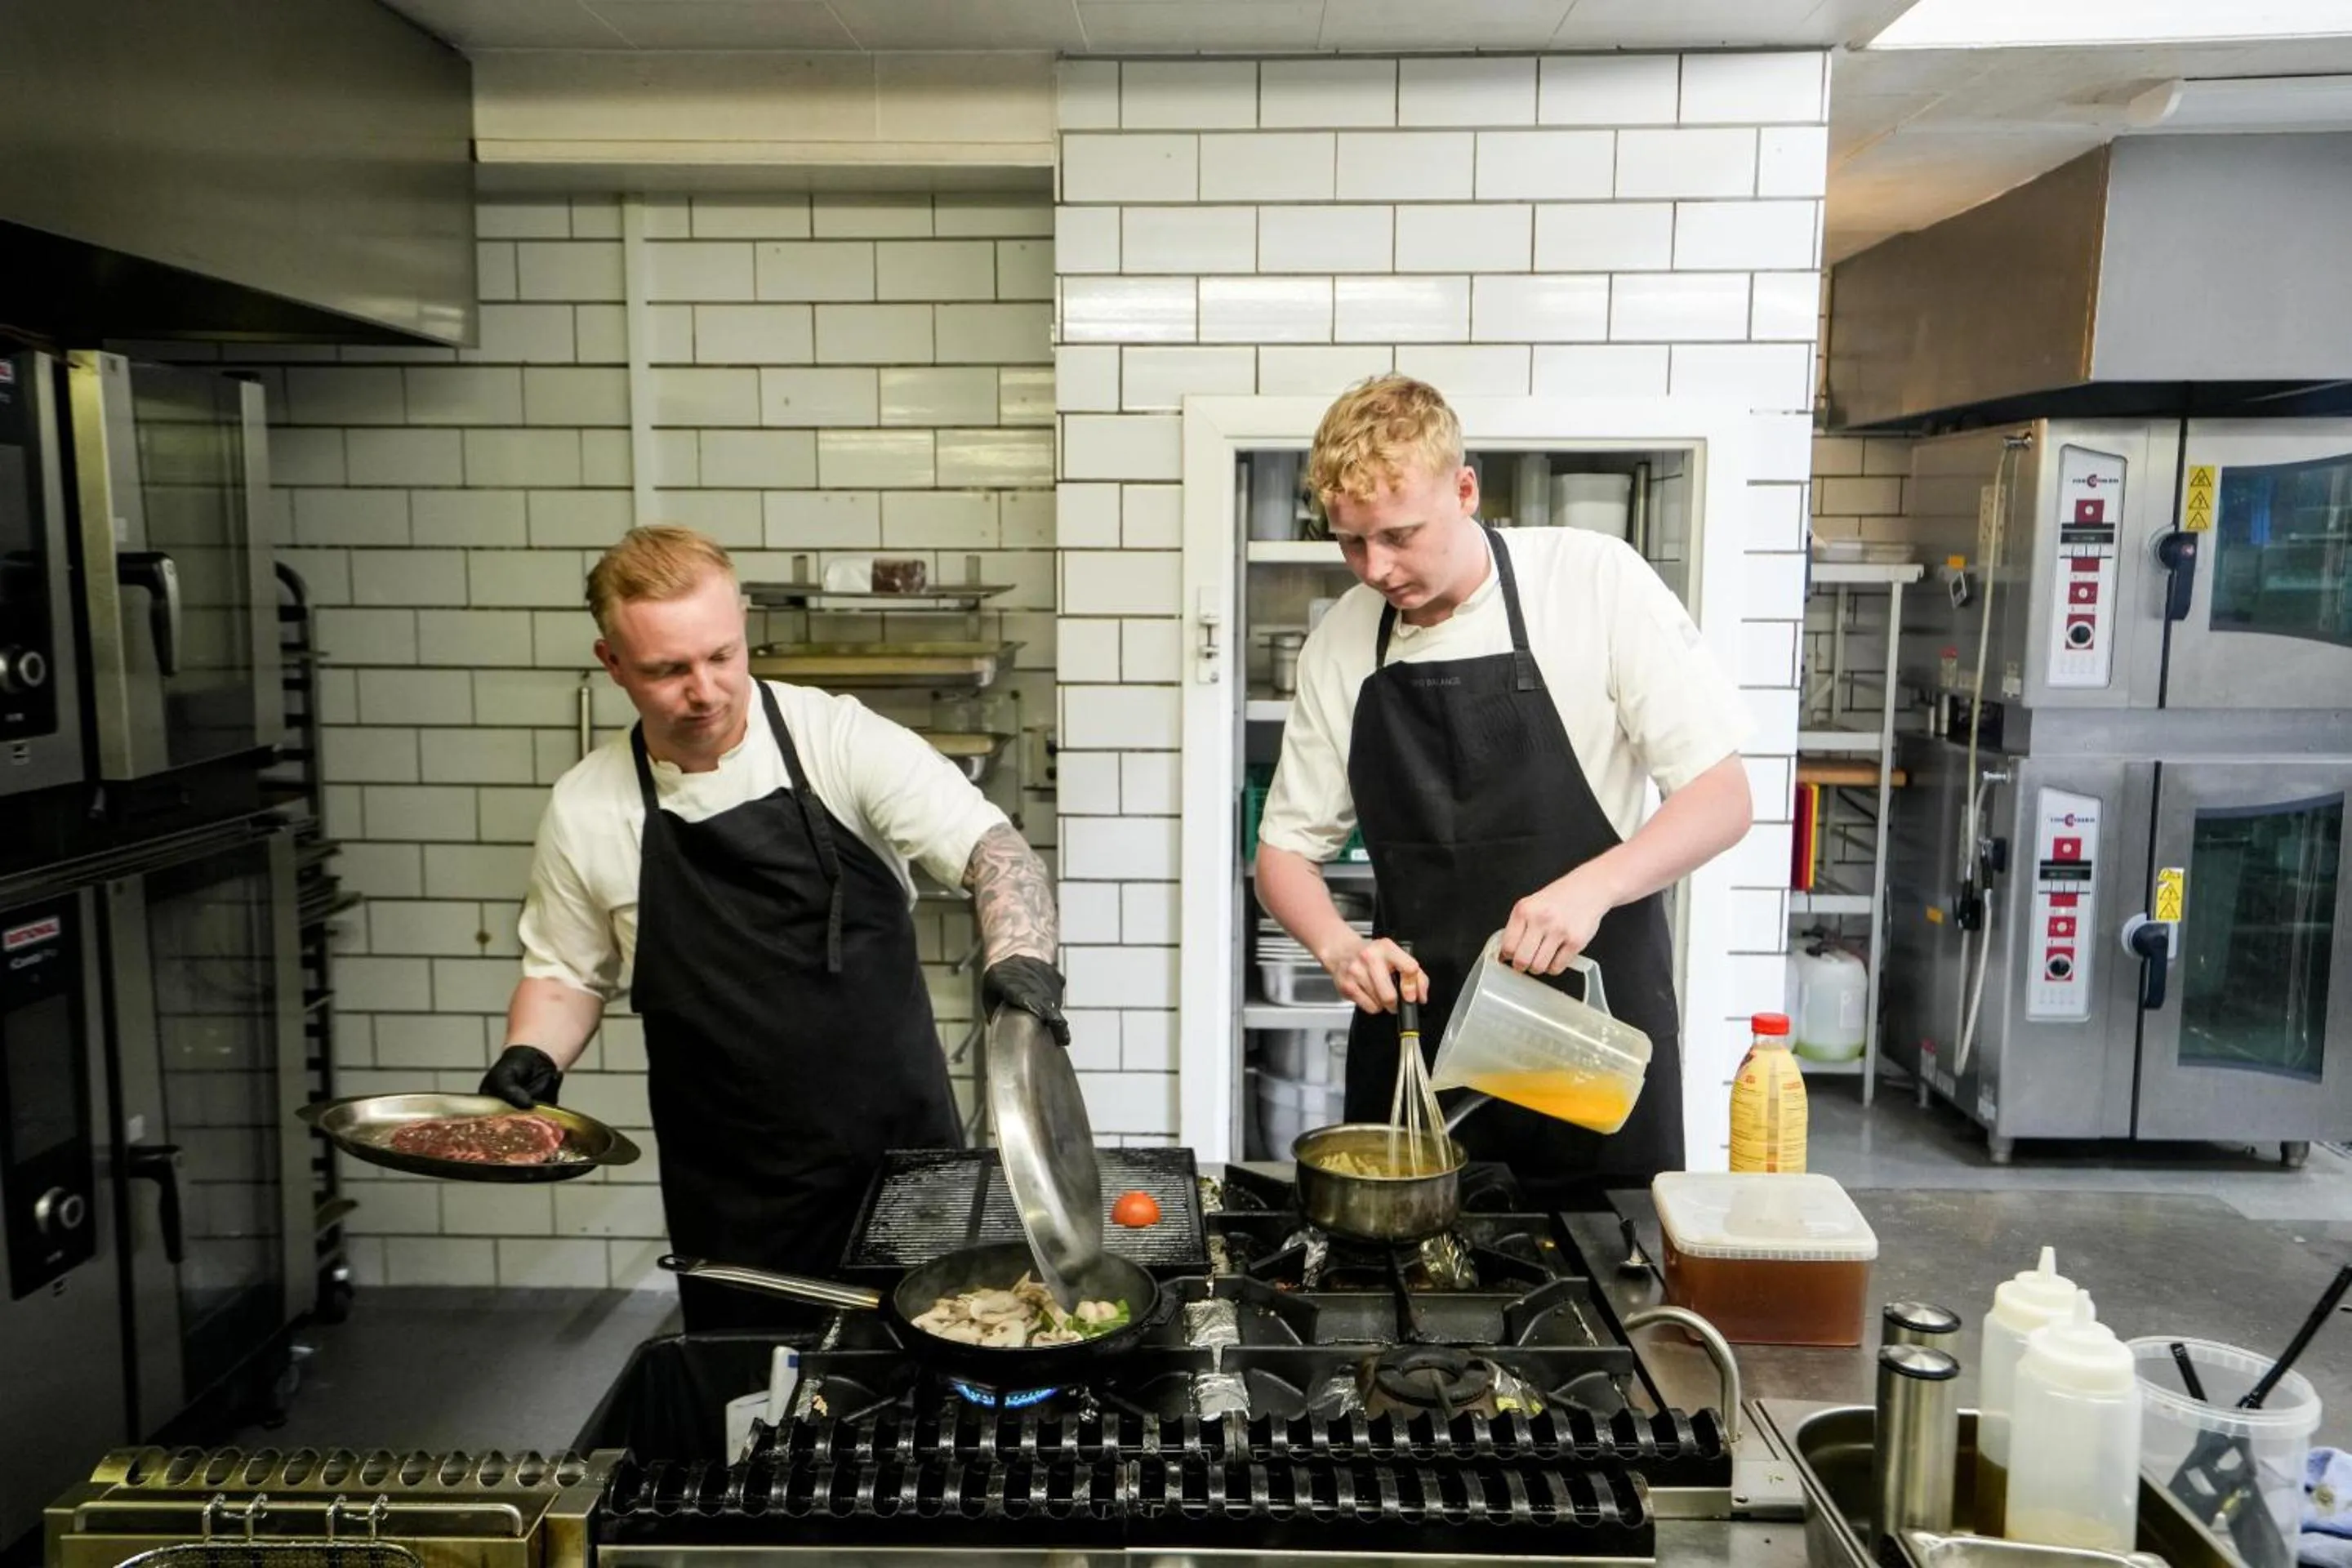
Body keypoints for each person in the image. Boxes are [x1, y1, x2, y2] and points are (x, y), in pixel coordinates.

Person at [481, 525, 1067, 1330]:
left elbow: (997, 855)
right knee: (755, 1406)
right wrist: (531, 1054)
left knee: (928, 1379)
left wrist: (1023, 969)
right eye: (667, 670)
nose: (706, 690)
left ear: (743, 625)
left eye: (722, 655)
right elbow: (567, 974)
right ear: (611, 663)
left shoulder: (837, 739)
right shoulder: (588, 807)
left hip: (903, 1163)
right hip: (731, 1193)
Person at [1254, 376, 1754, 1200]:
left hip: (1586, 1045)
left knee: (1607, 1286)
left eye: (1399, 535)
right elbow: (1283, 854)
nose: (1375, 568)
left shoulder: (1591, 583)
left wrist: (1594, 888)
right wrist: (1338, 947)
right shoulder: (1343, 642)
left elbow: (1722, 797)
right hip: (1418, 1047)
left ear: (1465, 490)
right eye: (1349, 543)